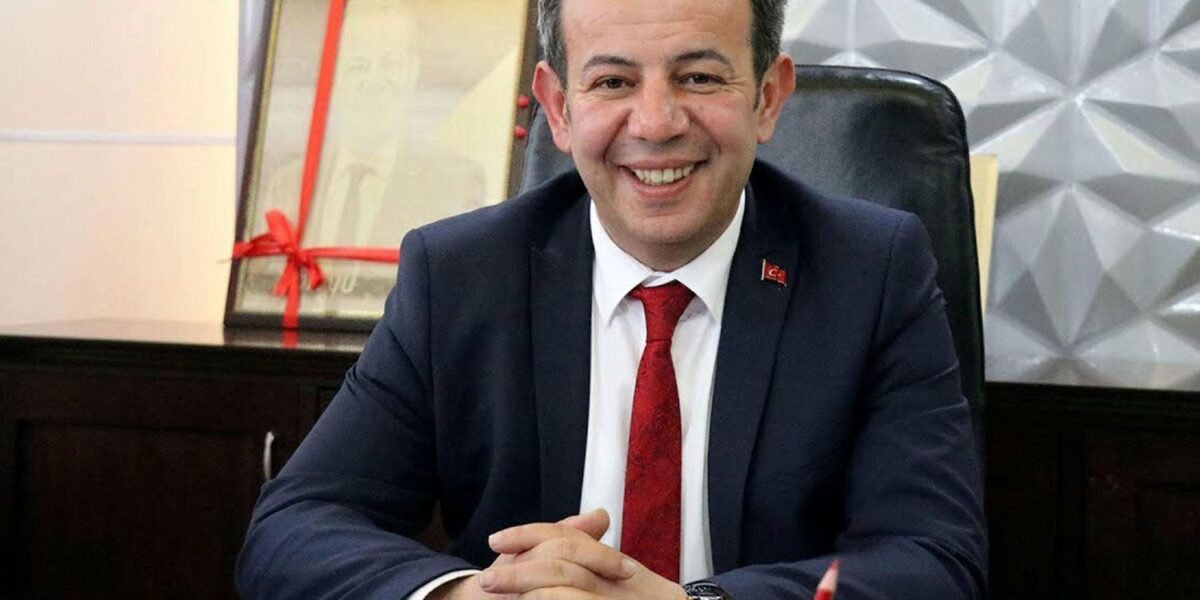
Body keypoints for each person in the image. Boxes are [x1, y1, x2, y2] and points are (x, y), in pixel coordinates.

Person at [236, 0, 987, 598]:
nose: (656, 123)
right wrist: (472, 594)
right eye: (613, 82)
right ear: (559, 108)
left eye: (699, 78)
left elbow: (933, 560)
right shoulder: (459, 275)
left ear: (767, 97)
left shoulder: (870, 272)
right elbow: (293, 528)